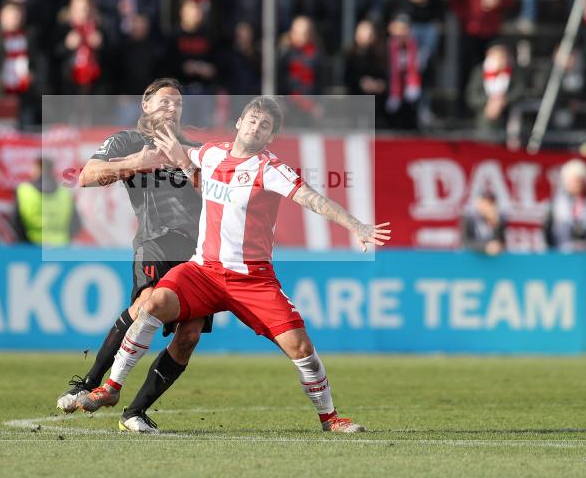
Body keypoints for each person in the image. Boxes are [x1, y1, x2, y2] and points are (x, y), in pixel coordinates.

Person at [78, 96, 391, 434]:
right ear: (240, 122)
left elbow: (313, 199)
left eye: (265, 126)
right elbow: (184, 160)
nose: (257, 127)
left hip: (252, 279)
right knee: (152, 305)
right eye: (253, 120)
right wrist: (155, 142)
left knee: (301, 348)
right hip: (203, 271)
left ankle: (330, 419)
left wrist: (356, 226)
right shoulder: (211, 153)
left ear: (269, 137)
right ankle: (110, 388)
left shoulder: (270, 169)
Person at [56, 78, 211, 434]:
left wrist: (188, 167)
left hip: (200, 251)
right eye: (164, 101)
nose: (172, 108)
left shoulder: (195, 149)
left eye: (178, 103)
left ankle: (135, 411)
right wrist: (135, 162)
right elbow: (87, 176)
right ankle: (90, 383)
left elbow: (218, 193)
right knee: (145, 304)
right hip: (156, 241)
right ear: (146, 105)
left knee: (189, 335)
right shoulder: (127, 140)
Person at [543, 159, 586, 252]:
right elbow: (547, 229)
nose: (578, 184)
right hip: (563, 253)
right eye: (574, 180)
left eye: (580, 180)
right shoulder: (557, 203)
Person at [14, 158, 81, 245]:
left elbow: (16, 222)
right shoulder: (65, 193)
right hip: (61, 248)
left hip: (31, 247)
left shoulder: (24, 191)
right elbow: (77, 225)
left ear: (37, 169)